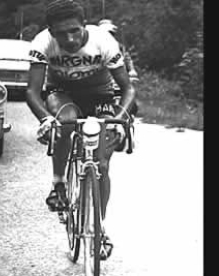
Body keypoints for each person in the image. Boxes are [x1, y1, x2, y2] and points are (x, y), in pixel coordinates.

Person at [26, 0, 136, 260]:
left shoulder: (104, 41)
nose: (70, 38)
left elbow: (128, 89)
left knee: (103, 164)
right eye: (61, 33)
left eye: (75, 30)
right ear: (50, 32)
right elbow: (32, 92)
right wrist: (45, 120)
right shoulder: (41, 43)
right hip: (62, 93)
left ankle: (98, 227)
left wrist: (119, 119)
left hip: (101, 94)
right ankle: (59, 184)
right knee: (66, 121)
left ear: (84, 25)